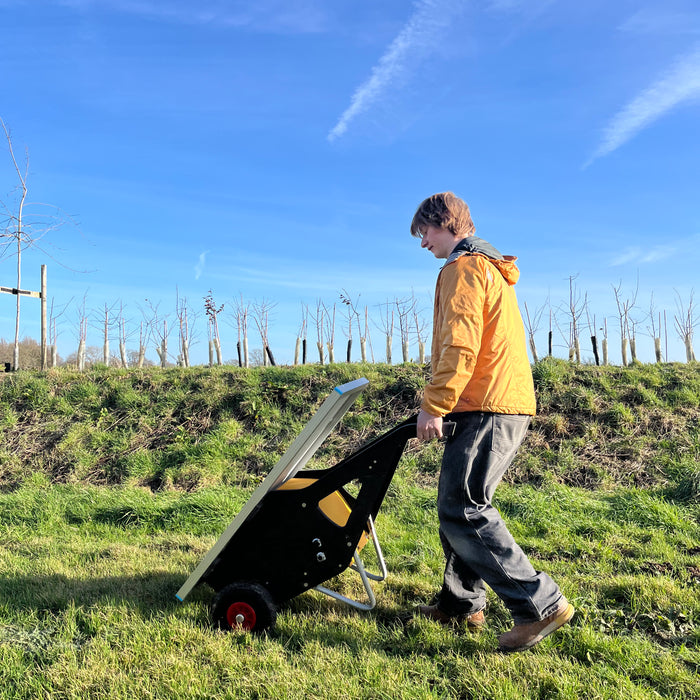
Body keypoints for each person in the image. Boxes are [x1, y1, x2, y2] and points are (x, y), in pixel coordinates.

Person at [411, 191, 573, 652]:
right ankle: (462, 603)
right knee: (458, 503)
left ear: (444, 223)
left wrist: (435, 404)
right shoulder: (486, 268)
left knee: (463, 507)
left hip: (487, 403)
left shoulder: (464, 269)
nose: (423, 243)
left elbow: (460, 346)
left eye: (424, 231)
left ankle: (540, 604)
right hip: (490, 401)